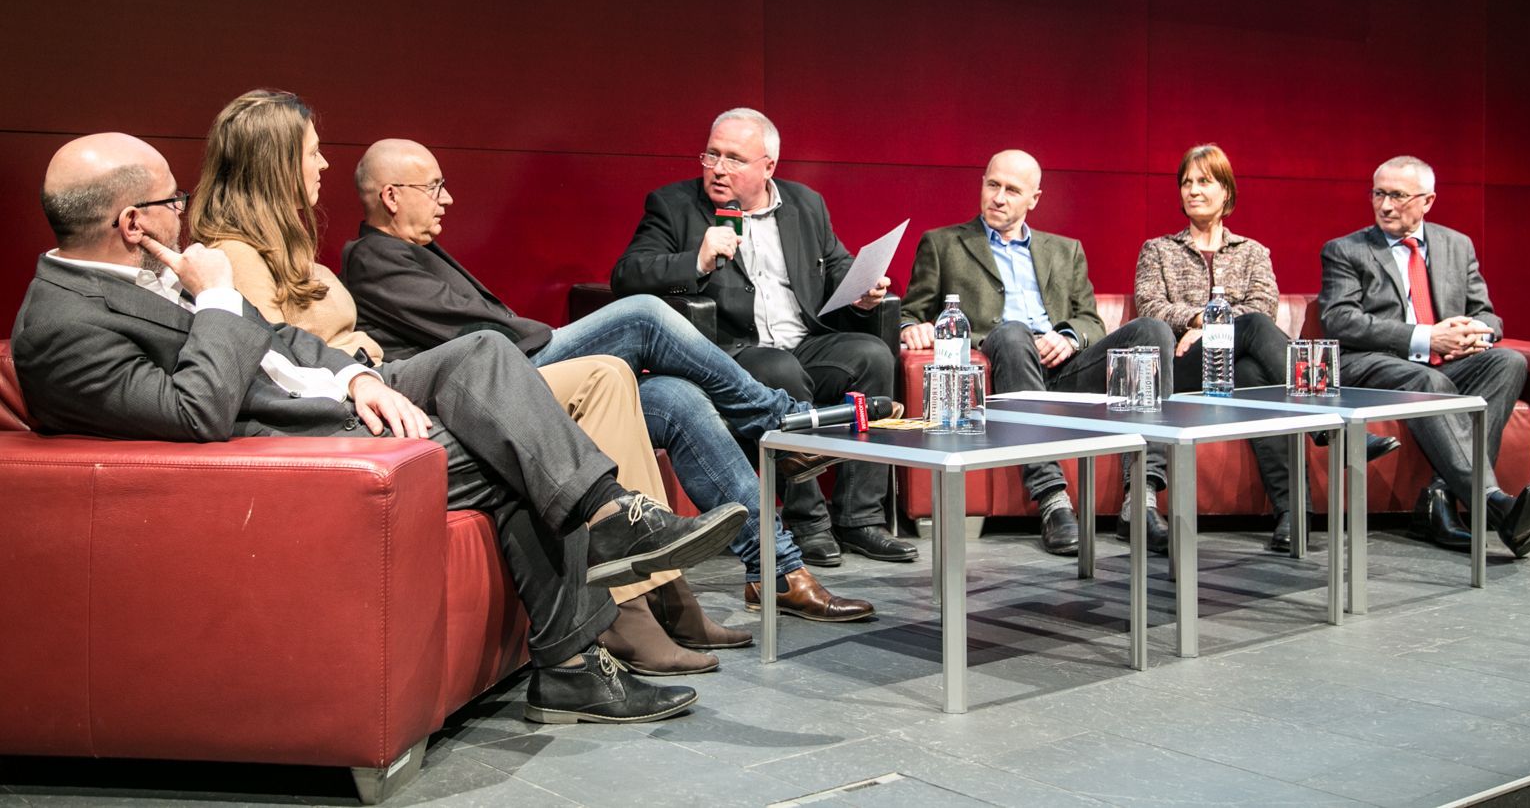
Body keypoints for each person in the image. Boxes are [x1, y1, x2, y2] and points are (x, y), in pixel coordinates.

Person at [13, 132, 750, 725]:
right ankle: (578, 656)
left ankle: (610, 525)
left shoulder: (145, 268)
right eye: (170, 199)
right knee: (511, 448)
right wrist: (216, 300)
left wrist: (357, 375)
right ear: (130, 221)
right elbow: (195, 413)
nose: (184, 209)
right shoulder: (63, 327)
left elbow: (280, 339)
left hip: (331, 394)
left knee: (487, 358)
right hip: (281, 445)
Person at [187, 90, 739, 677]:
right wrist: (352, 359)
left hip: (393, 390)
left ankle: (657, 583)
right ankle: (635, 595)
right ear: (275, 165)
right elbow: (267, 361)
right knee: (631, 323)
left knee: (620, 377)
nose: (323, 166)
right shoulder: (236, 259)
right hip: (370, 414)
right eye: (312, 153)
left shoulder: (288, 251)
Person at [339, 137, 873, 625]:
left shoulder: (414, 251)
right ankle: (776, 419)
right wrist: (557, 332)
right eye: (434, 186)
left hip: (516, 363)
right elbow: (480, 336)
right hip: (494, 393)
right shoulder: (372, 259)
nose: (447, 198)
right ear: (391, 195)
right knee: (641, 313)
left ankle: (778, 569)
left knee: (679, 398)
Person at [611, 107, 915, 567]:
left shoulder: (805, 204)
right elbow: (628, 275)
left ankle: (859, 519)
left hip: (804, 339)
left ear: (768, 166)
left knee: (872, 355)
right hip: (733, 351)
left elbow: (835, 268)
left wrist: (863, 291)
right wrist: (696, 260)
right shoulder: (673, 206)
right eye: (711, 154)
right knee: (779, 370)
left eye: (734, 158)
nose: (717, 168)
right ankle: (807, 521)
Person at [901, 150, 1176, 555]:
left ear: (1034, 198)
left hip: (1065, 368)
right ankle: (1052, 502)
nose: (998, 197)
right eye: (992, 185)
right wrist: (913, 327)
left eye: (1012, 190)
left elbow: (1091, 322)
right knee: (1013, 333)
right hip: (1003, 364)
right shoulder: (944, 244)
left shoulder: (1066, 251)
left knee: (1153, 330)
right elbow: (910, 311)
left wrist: (1068, 336)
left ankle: (1142, 500)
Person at [1134, 144, 1401, 553]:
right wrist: (1201, 323)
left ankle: (1292, 516)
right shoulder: (1158, 249)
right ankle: (1334, 428)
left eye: (1204, 181)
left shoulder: (1253, 252)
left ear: (1226, 191)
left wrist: (1210, 326)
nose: (1192, 190)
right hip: (1182, 369)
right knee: (1254, 328)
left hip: (1237, 368)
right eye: (1186, 182)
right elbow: (1151, 304)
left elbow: (1263, 304)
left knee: (1256, 377)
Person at [1319, 155, 1530, 557]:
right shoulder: (1346, 250)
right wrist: (1425, 337)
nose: (1385, 205)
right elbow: (1339, 320)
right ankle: (1493, 502)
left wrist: (1477, 333)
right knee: (1429, 383)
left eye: (1398, 196)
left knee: (1508, 361)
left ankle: (1439, 498)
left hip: (1447, 361)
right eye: (1378, 194)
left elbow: (1487, 313)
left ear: (1427, 201)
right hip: (1375, 363)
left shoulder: (1456, 245)